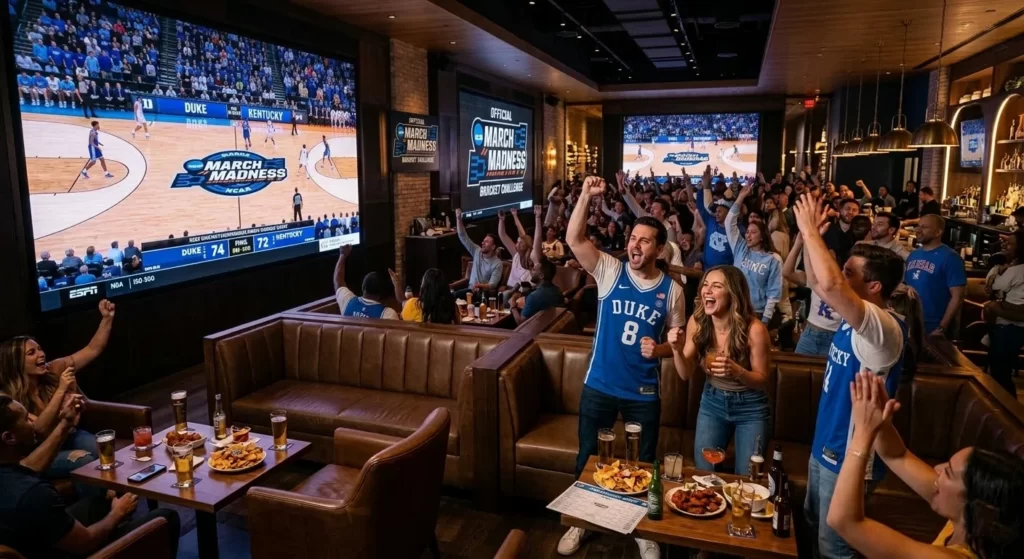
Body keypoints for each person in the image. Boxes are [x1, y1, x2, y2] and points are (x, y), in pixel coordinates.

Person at [558, 177, 683, 559]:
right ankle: (582, 520)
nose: (635, 244)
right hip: (600, 383)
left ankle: (642, 529)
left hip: (643, 393)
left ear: (660, 249)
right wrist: (583, 196)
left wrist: (659, 348)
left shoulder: (672, 290)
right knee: (588, 457)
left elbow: (678, 343)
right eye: (633, 238)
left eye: (644, 240)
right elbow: (575, 239)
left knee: (642, 463)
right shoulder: (611, 271)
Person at [792, 192, 907, 559]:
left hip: (851, 453)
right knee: (811, 526)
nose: (842, 275)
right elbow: (816, 280)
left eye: (851, 273)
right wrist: (814, 239)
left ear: (874, 287)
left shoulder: (883, 326)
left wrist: (809, 229)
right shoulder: (852, 319)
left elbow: (830, 285)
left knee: (835, 547)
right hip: (824, 442)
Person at [827, 371, 1024, 559]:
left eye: (948, 472)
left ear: (978, 508)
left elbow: (844, 521)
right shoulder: (969, 524)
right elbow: (897, 456)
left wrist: (862, 432)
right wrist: (881, 423)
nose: (937, 469)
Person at [0, 394, 181, 557]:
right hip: (65, 550)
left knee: (99, 503)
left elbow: (30, 467)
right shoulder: (34, 494)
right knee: (165, 517)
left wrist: (65, 424)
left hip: (30, 541)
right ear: (9, 438)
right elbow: (85, 542)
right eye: (26, 419)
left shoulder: (10, 475)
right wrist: (118, 512)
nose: (33, 422)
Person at [668, 265, 771, 475]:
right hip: (712, 402)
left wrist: (737, 371)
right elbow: (685, 373)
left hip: (750, 408)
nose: (707, 291)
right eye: (705, 285)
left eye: (716, 286)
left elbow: (762, 379)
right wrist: (677, 350)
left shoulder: (755, 329)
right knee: (705, 474)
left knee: (748, 478)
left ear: (733, 294)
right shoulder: (697, 321)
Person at [0, 300, 115, 484]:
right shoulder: (8, 398)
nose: (41, 354)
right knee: (84, 460)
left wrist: (107, 319)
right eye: (32, 353)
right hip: (40, 450)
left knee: (102, 450)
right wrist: (62, 391)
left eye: (39, 349)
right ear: (16, 363)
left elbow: (93, 349)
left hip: (70, 435)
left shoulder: (54, 368)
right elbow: (39, 431)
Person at [725, 184, 783, 327]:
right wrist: (740, 197)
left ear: (762, 236)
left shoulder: (773, 259)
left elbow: (774, 293)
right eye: (747, 232)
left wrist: (765, 320)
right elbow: (729, 223)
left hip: (757, 312)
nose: (748, 235)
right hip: (734, 308)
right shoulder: (740, 248)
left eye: (753, 232)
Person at [904, 215, 966, 337]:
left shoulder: (951, 258)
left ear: (938, 232)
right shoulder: (913, 254)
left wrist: (942, 327)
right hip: (911, 323)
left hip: (934, 327)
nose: (918, 230)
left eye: (924, 227)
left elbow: (958, 297)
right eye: (918, 226)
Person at [784, 232, 843, 357]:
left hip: (835, 337)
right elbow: (787, 272)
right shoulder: (815, 279)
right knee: (798, 371)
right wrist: (798, 244)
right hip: (810, 333)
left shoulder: (846, 284)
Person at [983, 230, 1024, 395]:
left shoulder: (1017, 270)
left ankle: (1008, 410)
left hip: (1009, 326)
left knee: (1000, 371)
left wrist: (996, 272)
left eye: (1010, 243)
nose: (1005, 245)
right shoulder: (1015, 268)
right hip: (1015, 325)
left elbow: (994, 286)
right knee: (1002, 369)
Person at [333, 245, 399, 320]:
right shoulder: (388, 314)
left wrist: (343, 255)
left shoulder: (347, 302)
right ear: (380, 294)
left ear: (363, 287)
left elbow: (338, 281)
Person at [454, 209, 504, 298]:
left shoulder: (497, 263)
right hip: (469, 290)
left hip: (481, 293)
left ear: (493, 247)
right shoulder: (477, 251)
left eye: (487, 242)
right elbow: (463, 236)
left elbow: (493, 284)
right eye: (483, 241)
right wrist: (458, 218)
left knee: (453, 296)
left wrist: (479, 286)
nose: (483, 243)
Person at [389, 268, 460, 324]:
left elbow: (401, 301)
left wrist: (396, 283)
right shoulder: (452, 307)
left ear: (424, 287)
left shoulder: (413, 305)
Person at [696, 167, 734, 268]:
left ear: (729, 212)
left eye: (719, 211)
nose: (716, 213)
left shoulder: (737, 229)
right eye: (716, 211)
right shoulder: (711, 221)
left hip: (726, 272)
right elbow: (702, 207)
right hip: (707, 270)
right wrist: (704, 187)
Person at [496, 209, 534, 306]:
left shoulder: (531, 257)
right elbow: (503, 235)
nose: (518, 244)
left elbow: (523, 234)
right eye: (517, 242)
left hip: (523, 292)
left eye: (521, 242)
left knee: (506, 297)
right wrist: (501, 219)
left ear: (528, 245)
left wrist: (515, 217)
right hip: (510, 288)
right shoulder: (516, 255)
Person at [511, 256, 563, 323]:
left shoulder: (534, 296)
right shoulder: (557, 290)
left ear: (541, 276)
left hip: (534, 331)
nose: (531, 271)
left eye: (534, 270)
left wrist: (513, 307)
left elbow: (520, 322)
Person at [823, 198, 861, 266]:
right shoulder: (828, 228)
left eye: (854, 210)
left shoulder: (860, 232)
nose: (850, 212)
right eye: (848, 209)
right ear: (840, 210)